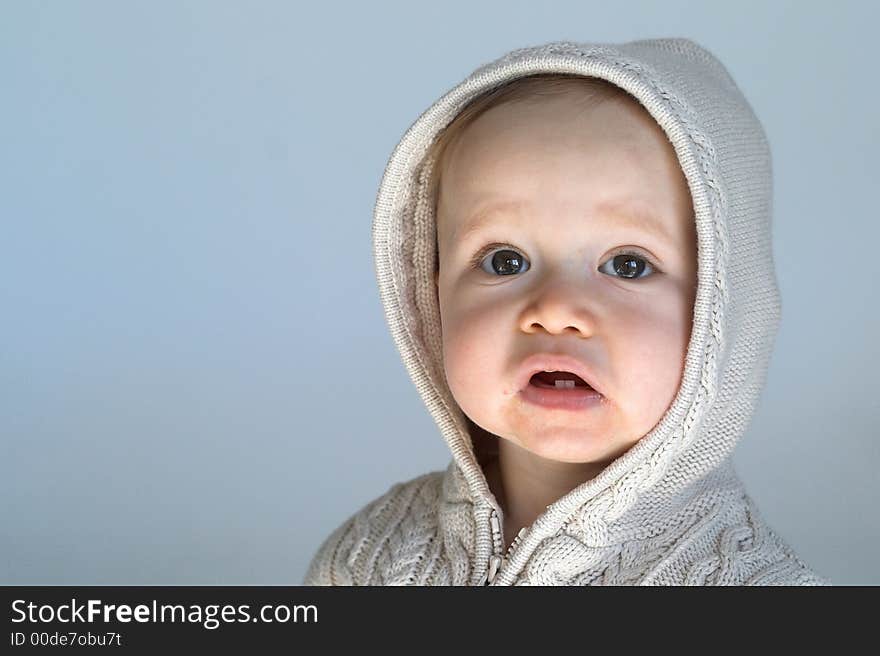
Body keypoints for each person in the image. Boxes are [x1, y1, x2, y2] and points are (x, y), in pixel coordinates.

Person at [303, 37, 830, 585]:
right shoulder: (366, 558)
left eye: (628, 265)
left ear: (724, 310)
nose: (554, 310)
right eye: (505, 261)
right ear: (430, 294)